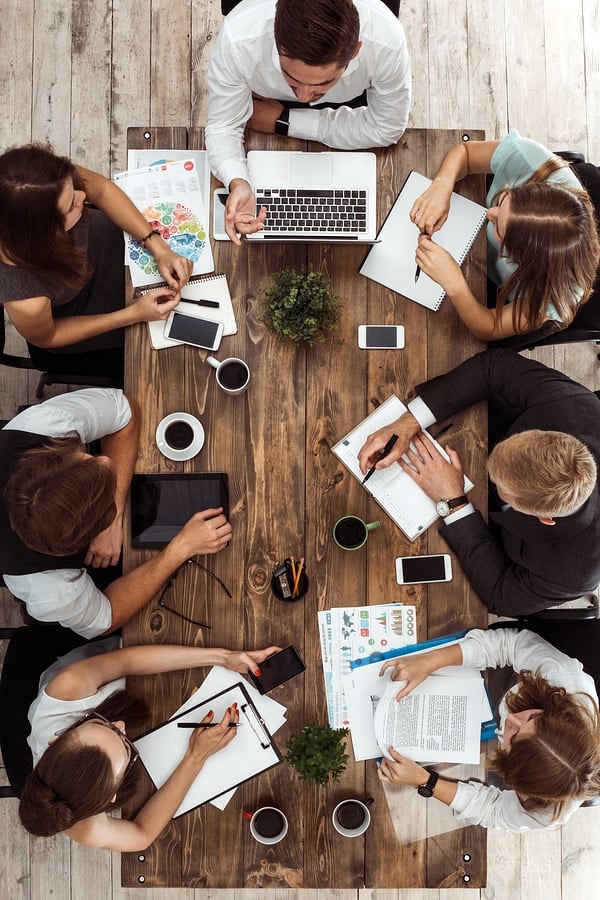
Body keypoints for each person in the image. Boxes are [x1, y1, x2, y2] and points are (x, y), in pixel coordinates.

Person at [357, 348, 600, 615]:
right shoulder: (575, 407)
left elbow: (501, 596)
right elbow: (493, 366)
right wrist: (406, 423)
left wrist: (454, 502)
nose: (488, 475)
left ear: (545, 518)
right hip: (474, 423)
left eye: (500, 486)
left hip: (486, 540)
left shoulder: (575, 572)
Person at [0, 388, 232, 637]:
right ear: (88, 535)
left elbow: (126, 411)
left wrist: (116, 511)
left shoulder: (43, 426)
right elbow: (105, 619)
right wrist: (180, 549)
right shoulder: (49, 588)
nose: (105, 460)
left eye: (86, 457)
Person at [18, 640, 280, 848]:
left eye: (98, 722)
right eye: (123, 744)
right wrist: (195, 757)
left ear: (57, 740)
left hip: (111, 666)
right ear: (111, 796)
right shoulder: (80, 823)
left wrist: (223, 657)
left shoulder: (68, 689)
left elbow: (126, 661)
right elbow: (142, 836)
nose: (120, 725)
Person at [205, 0, 411, 243]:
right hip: (262, 99)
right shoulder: (239, 37)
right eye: (291, 77)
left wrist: (285, 120)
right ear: (275, 41)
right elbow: (223, 125)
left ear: (355, 51)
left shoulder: (387, 42)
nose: (302, 96)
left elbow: (387, 127)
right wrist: (238, 181)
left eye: (322, 83)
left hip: (343, 103)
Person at [377, 627, 600, 832]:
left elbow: (493, 810)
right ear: (554, 714)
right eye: (533, 717)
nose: (512, 719)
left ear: (515, 775)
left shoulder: (547, 814)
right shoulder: (561, 677)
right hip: (497, 684)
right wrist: (429, 661)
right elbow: (509, 645)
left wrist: (425, 781)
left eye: (513, 738)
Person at [0, 143, 192, 377]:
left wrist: (157, 245)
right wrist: (133, 314)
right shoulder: (26, 298)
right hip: (85, 314)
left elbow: (101, 190)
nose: (83, 196)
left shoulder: (40, 181)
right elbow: (49, 337)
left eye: (73, 189)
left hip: (107, 247)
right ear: (47, 235)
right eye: (71, 205)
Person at [409, 130, 600, 342]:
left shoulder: (554, 297)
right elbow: (466, 153)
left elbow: (490, 328)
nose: (489, 212)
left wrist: (455, 284)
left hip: (488, 292)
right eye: (503, 200)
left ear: (520, 258)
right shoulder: (535, 163)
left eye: (498, 227)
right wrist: (441, 186)